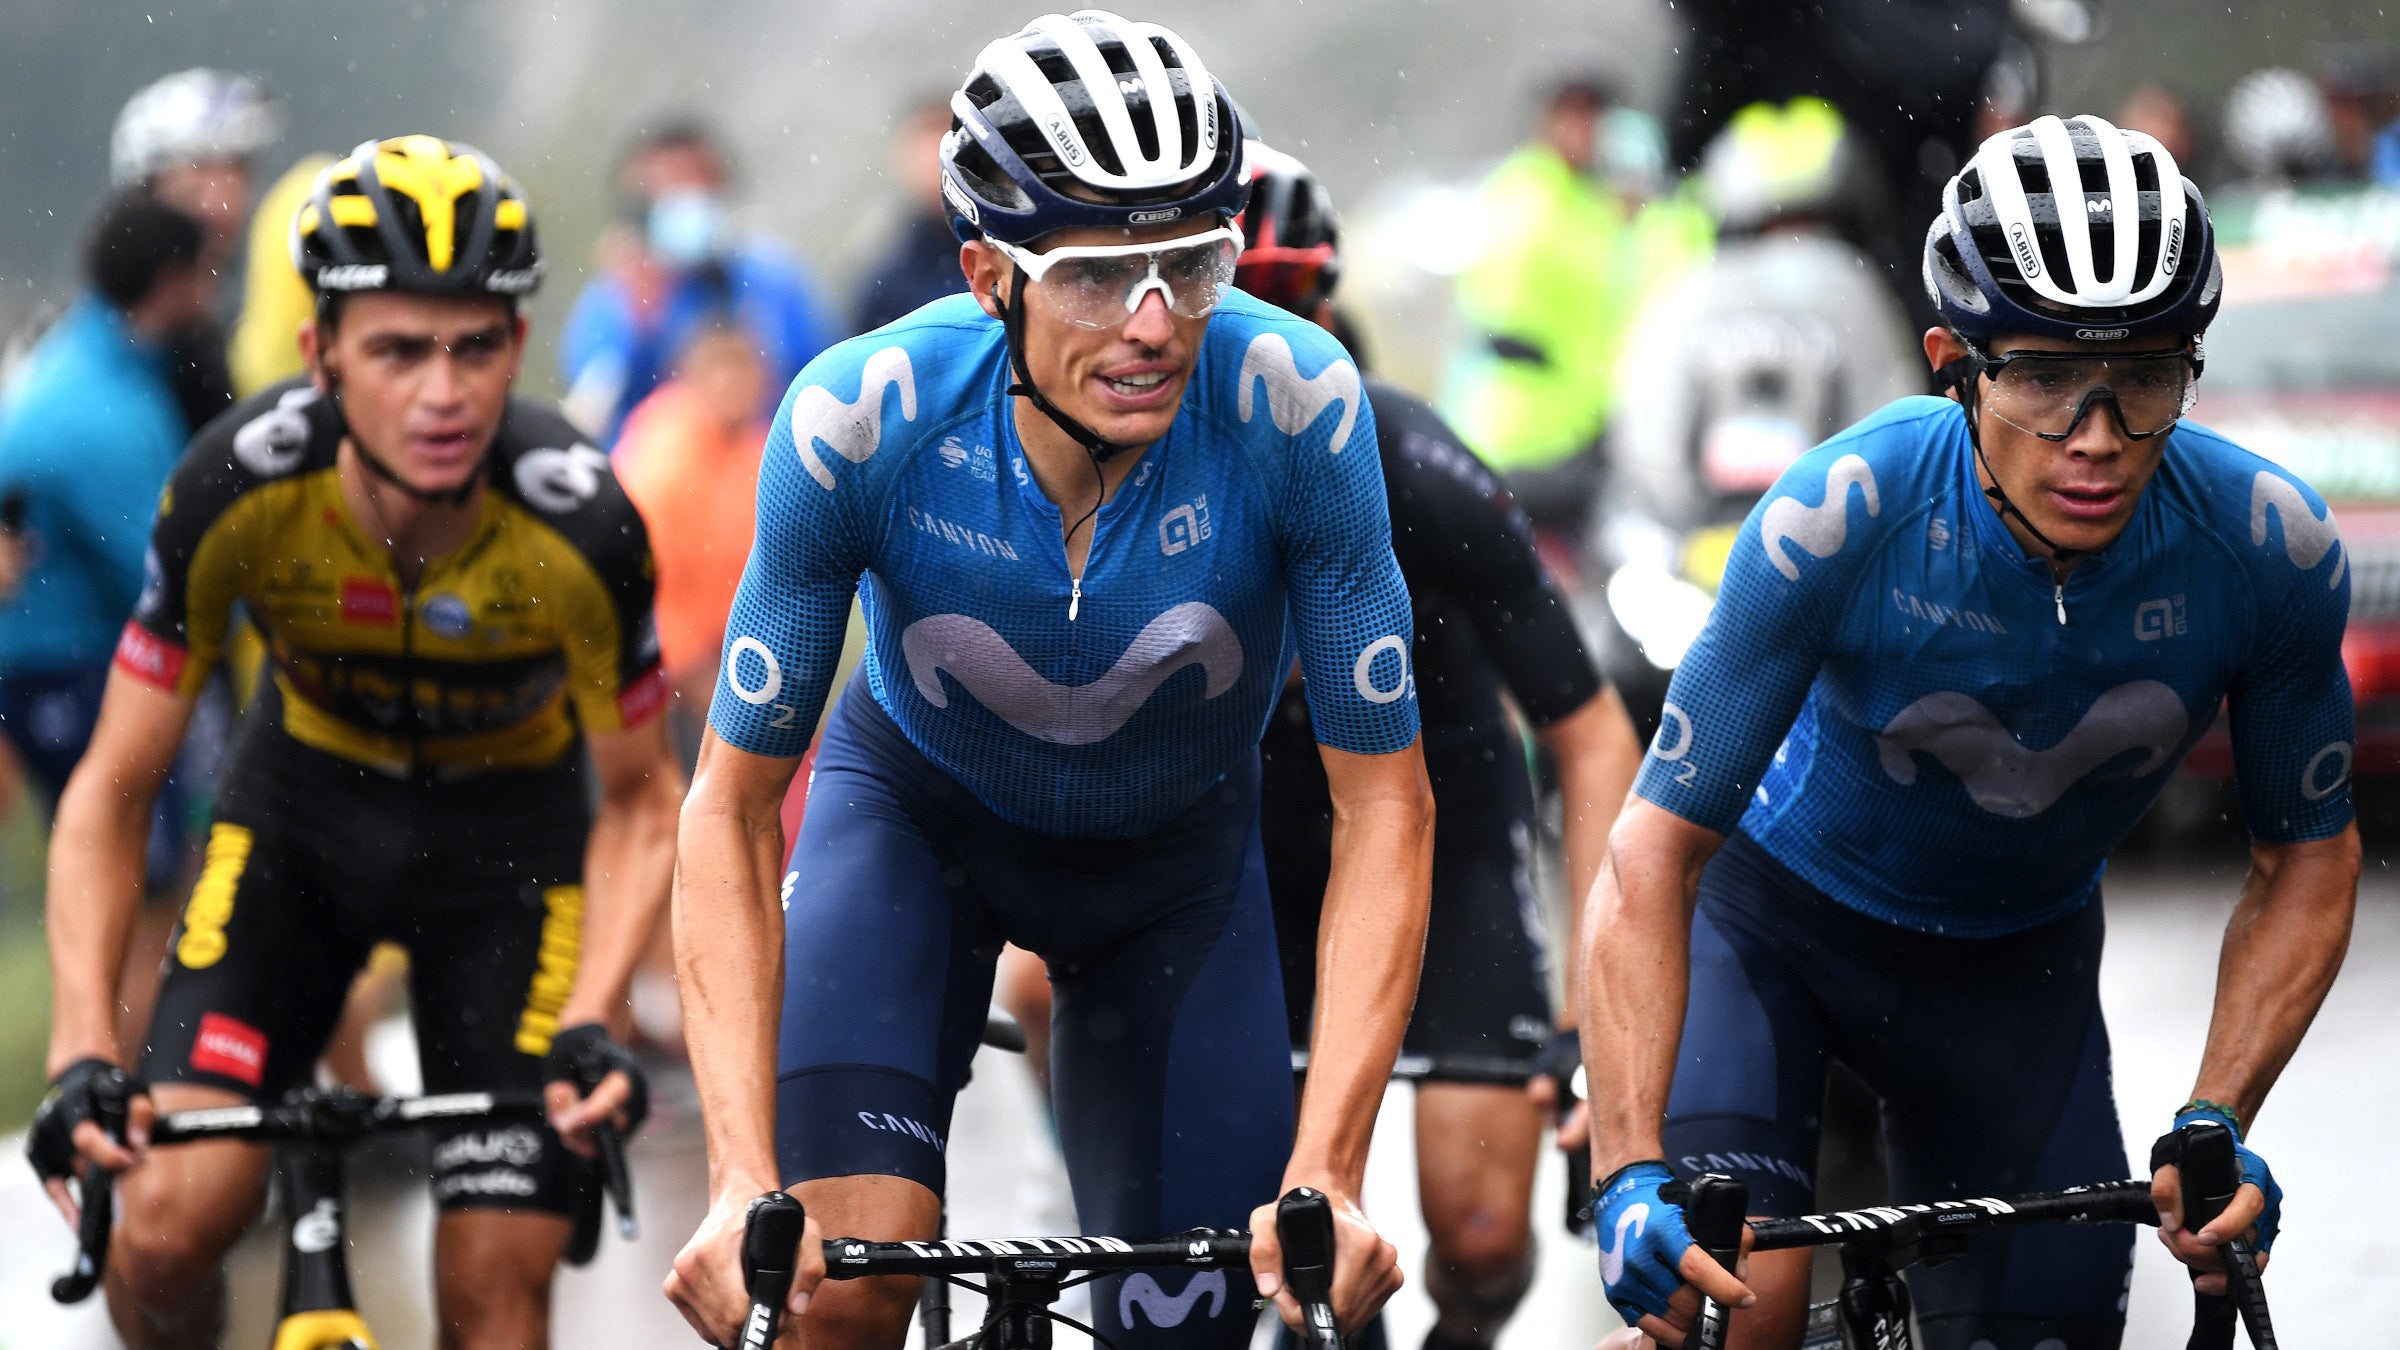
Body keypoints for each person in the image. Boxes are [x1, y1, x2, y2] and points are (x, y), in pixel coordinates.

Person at [663, 12, 1432, 1350]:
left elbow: (1388, 807)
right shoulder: (863, 419)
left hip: (1174, 874)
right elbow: (727, 805)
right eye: (1093, 277)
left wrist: (1331, 1166)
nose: (1152, 324)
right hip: (916, 829)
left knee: (1198, 1322)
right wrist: (737, 1176)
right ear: (987, 271)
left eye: (1190, 266)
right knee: (832, 1292)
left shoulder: (1298, 408)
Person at [1574, 113, 2359, 1350]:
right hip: (1775, 934)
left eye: (2144, 376)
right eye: (2044, 376)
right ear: (1955, 361)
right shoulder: (1839, 516)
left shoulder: (2269, 549)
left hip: (2013, 975)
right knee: (1734, 1314)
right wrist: (1625, 1173)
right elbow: (1651, 853)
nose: (2095, 436)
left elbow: (2307, 855)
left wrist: (2216, 1117)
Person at [28, 135, 682, 1350]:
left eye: (475, 347)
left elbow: (647, 801)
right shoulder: (234, 489)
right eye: (396, 350)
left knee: (496, 1294)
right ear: (320, 354)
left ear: (517, 349)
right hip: (299, 827)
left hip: (508, 864)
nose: (444, 394)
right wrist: (80, 1046)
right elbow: (112, 792)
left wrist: (596, 1013)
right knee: (160, 1227)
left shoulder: (581, 520)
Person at [1237, 141, 1645, 1350]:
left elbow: (1589, 732)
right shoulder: (1125, 456)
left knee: (1477, 1238)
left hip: (1443, 832)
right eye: (1231, 294)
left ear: (1329, 301)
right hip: (1248, 847)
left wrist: (1592, 1005)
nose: (1259, 328)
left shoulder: (1417, 463)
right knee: (1245, 1239)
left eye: (1286, 296)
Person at [1593, 98, 1921, 734]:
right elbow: (1895, 430)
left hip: (1719, 570)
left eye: (1808, 225)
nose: (1794, 248)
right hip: (1793, 567)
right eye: (1785, 224)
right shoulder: (1861, 291)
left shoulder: (1685, 289)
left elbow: (1644, 437)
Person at [0, 193, 217, 894]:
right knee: (131, 884)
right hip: (64, 667)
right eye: (204, 276)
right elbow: (165, 577)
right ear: (169, 282)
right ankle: (116, 1010)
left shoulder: (98, 364)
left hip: (54, 659)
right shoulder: (102, 412)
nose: (212, 295)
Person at [1441, 76, 1647, 531]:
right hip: (1519, 434)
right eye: (1571, 113)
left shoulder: (1594, 203)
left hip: (1579, 435)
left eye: (1594, 114)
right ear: (1544, 122)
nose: (1586, 126)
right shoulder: (1525, 193)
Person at [559, 116, 839, 444]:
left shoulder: (774, 280)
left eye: (701, 178)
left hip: (768, 473)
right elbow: (593, 412)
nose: (690, 193)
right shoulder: (614, 296)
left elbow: (825, 383)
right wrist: (641, 325)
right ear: (640, 206)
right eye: (672, 181)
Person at [110, 68, 284, 438]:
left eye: (235, 172)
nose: (222, 202)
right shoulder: (122, 332)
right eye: (199, 175)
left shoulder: (222, 316)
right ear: (146, 191)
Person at [850, 96, 975, 333]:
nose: (935, 165)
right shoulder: (886, 280)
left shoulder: (1012, 249)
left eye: (944, 145)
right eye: (924, 152)